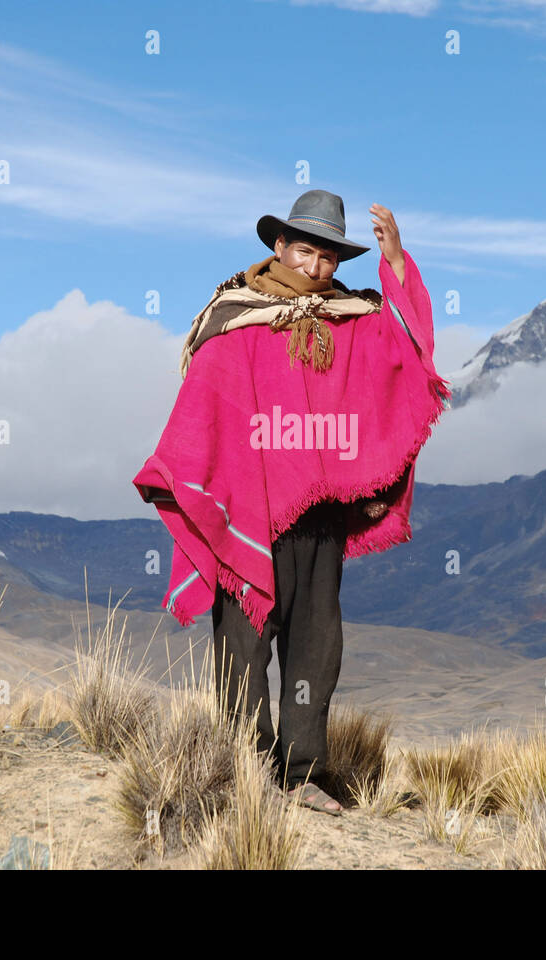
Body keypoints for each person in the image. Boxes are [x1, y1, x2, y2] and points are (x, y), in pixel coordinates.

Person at [132, 188, 451, 815]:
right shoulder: (234, 317)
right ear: (280, 247)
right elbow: (208, 409)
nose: (315, 267)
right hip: (248, 511)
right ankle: (245, 774)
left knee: (315, 644)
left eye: (329, 258)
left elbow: (409, 351)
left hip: (320, 517)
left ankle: (302, 775)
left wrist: (397, 264)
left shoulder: (354, 318)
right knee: (244, 644)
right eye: (305, 250)